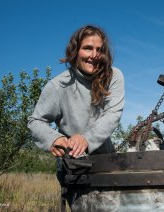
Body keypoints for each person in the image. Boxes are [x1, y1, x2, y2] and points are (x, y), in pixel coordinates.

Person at [28, 25, 124, 209]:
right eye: (88, 48)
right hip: (73, 168)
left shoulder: (114, 76)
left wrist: (86, 138)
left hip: (106, 162)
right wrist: (53, 138)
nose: (94, 55)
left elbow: (112, 114)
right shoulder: (58, 85)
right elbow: (36, 121)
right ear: (75, 51)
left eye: (99, 49)